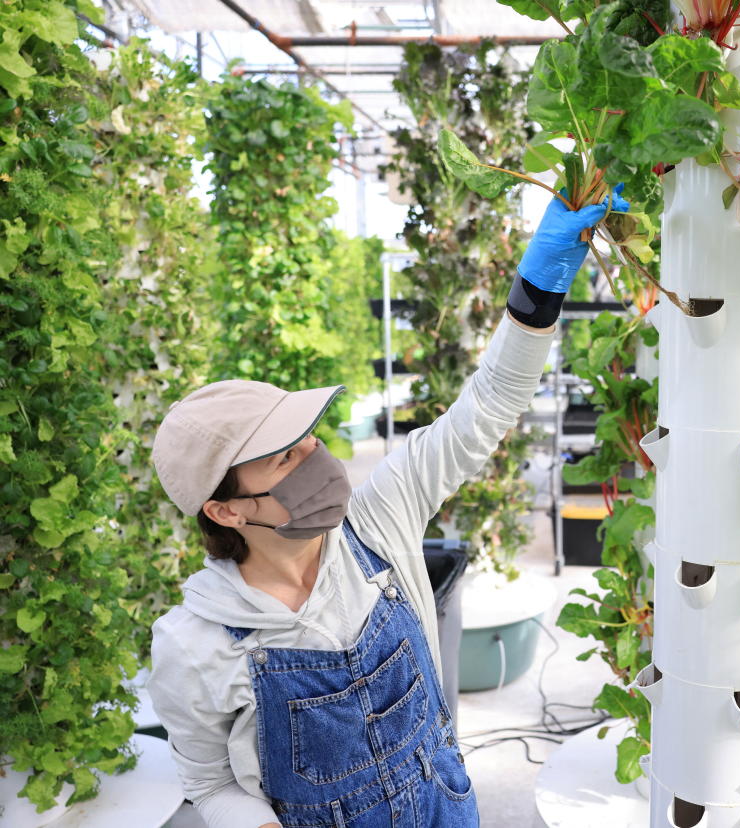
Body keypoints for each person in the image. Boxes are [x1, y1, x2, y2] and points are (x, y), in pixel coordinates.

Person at [147, 186, 627, 828]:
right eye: (283, 456)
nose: (315, 455)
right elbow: (208, 784)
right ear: (227, 511)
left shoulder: (379, 524)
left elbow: (485, 409)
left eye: (308, 435)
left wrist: (537, 289)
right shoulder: (195, 643)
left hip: (445, 809)